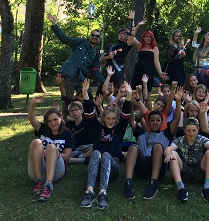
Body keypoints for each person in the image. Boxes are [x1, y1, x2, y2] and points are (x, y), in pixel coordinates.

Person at [79, 79, 132, 209]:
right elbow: (89, 113)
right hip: (95, 167)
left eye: (114, 119)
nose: (110, 121)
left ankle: (103, 193)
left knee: (107, 155)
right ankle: (89, 192)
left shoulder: (119, 129)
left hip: (112, 166)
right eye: (108, 118)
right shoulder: (98, 128)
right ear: (103, 118)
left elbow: (126, 114)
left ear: (117, 120)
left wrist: (129, 96)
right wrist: (85, 93)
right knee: (96, 152)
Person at [123, 86, 183, 200]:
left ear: (162, 123)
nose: (155, 122)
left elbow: (176, 119)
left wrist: (178, 101)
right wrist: (130, 103)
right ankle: (128, 182)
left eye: (158, 120)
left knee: (158, 146)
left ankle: (153, 183)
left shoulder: (166, 133)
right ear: (148, 122)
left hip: (158, 167)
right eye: (152, 120)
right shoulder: (141, 133)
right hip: (142, 167)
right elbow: (131, 121)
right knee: (133, 147)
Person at [47, 13, 105, 114]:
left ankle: (89, 117)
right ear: (90, 36)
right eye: (93, 35)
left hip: (81, 78)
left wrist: (105, 82)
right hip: (68, 74)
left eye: (97, 36)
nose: (94, 37)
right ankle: (66, 122)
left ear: (99, 39)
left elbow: (95, 70)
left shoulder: (95, 53)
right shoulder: (80, 43)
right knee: (67, 99)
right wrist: (54, 24)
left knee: (88, 97)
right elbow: (64, 39)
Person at [164, 117, 209, 202]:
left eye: (194, 130)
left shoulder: (202, 139)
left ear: (198, 129)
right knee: (173, 154)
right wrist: (168, 154)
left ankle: (207, 188)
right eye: (188, 130)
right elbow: (168, 149)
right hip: (184, 170)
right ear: (184, 130)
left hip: (200, 170)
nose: (191, 133)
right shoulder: (179, 140)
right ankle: (181, 189)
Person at [28, 96, 74, 201]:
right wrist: (33, 104)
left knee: (51, 148)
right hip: (38, 168)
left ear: (61, 119)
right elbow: (31, 119)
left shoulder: (67, 133)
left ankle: (48, 185)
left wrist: (49, 154)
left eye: (55, 120)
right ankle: (39, 181)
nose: (52, 123)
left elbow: (67, 156)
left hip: (56, 170)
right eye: (49, 121)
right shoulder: (43, 130)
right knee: (36, 142)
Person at [100, 11, 139, 85]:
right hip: (108, 74)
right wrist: (108, 57)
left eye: (124, 34)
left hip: (118, 74)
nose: (121, 35)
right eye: (120, 34)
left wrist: (131, 20)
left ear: (127, 37)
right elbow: (100, 61)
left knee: (120, 94)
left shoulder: (126, 46)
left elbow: (132, 34)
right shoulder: (110, 46)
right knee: (102, 94)